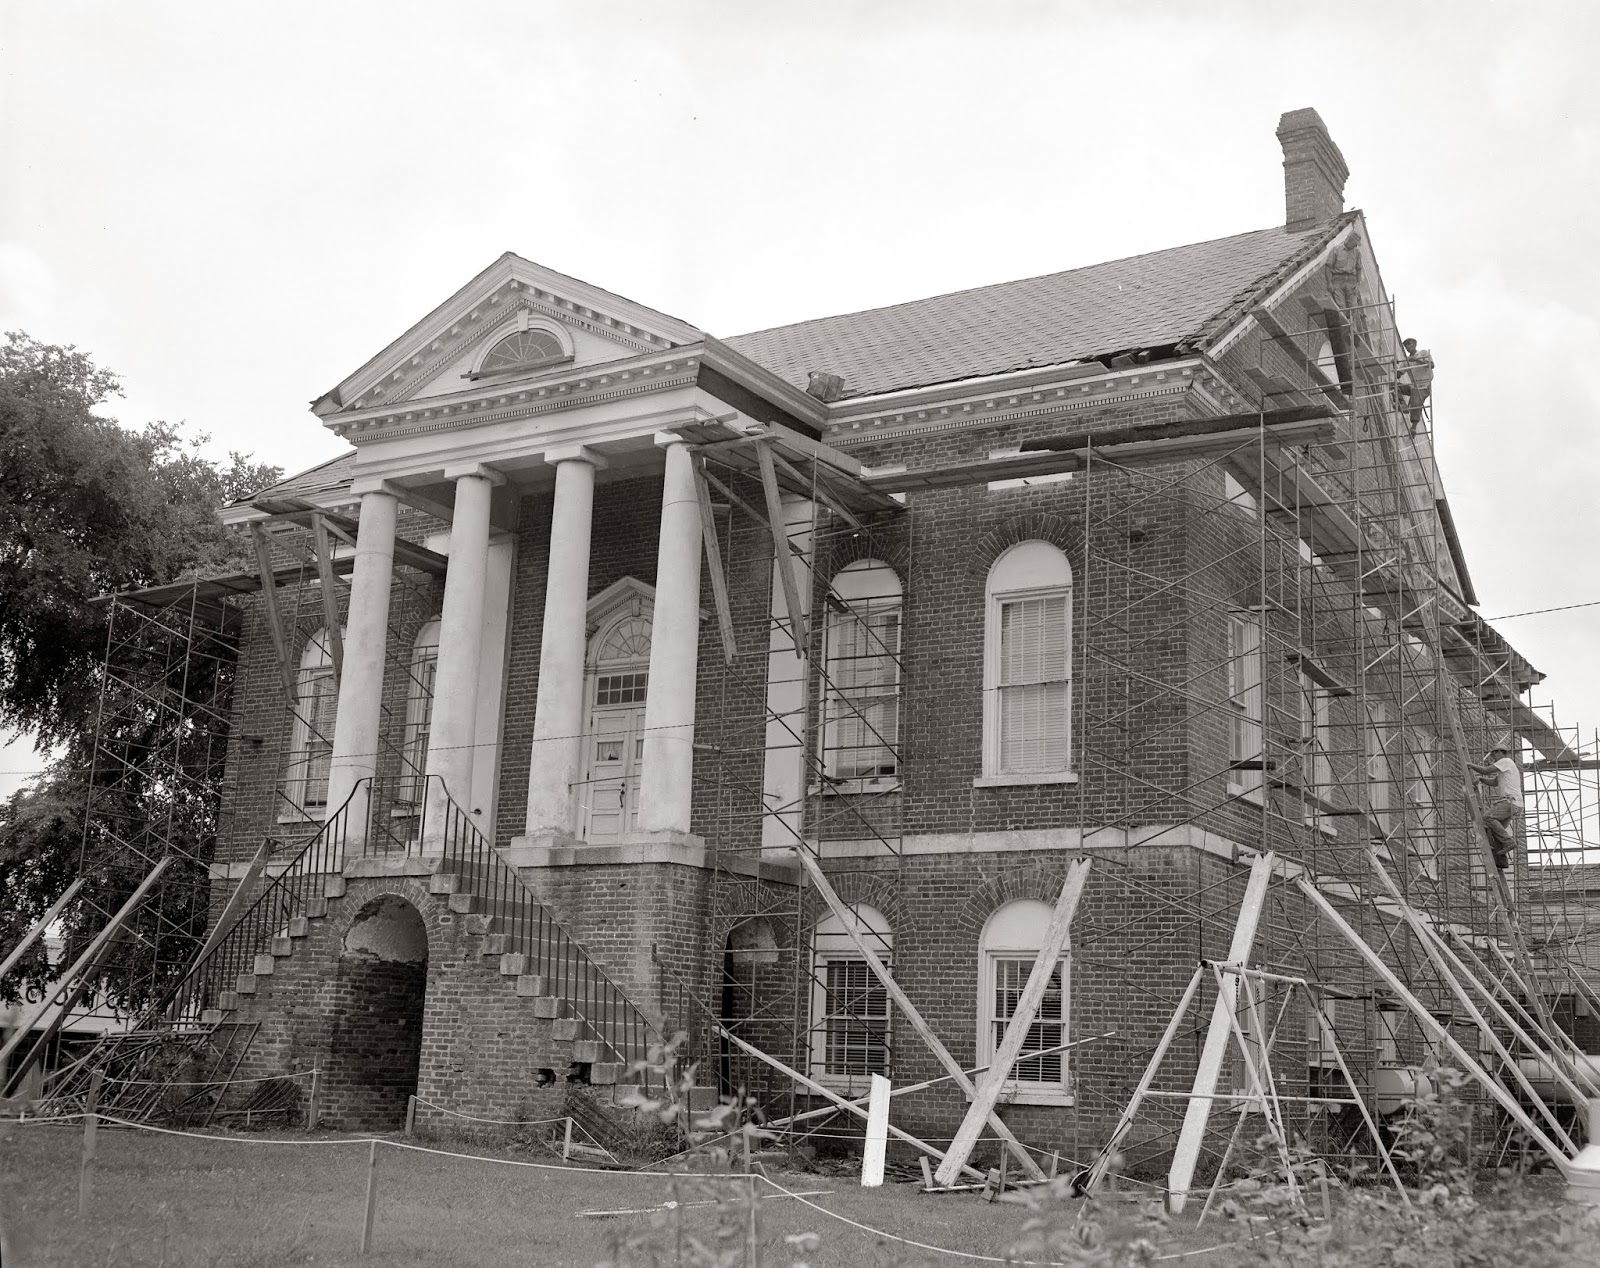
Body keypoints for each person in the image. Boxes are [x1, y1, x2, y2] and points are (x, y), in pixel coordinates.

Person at [1467, 742, 1522, 870]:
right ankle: (1501, 861)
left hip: (1509, 802)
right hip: (1515, 804)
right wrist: (1481, 779)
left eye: (1494, 755)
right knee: (1495, 831)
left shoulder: (1506, 761)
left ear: (1500, 752)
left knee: (1487, 817)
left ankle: (1509, 842)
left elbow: (1486, 770)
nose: (1493, 758)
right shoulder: (1507, 767)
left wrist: (1470, 765)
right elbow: (1494, 782)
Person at [1397, 337, 1435, 428]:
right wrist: (1394, 364)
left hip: (1425, 385)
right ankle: (1402, 404)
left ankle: (1414, 426)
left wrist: (1417, 360)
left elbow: (1432, 365)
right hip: (1414, 385)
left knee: (1416, 402)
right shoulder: (1407, 360)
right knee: (1394, 386)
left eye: (1409, 344)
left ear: (1415, 344)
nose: (1407, 347)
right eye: (1405, 345)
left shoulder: (1423, 353)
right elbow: (1398, 374)